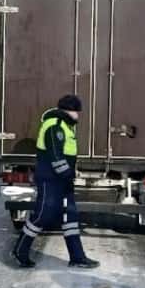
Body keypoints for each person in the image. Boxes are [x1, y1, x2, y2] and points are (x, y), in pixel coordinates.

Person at [12, 95, 100, 269]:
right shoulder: (55, 126)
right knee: (43, 215)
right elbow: (56, 156)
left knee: (70, 217)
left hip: (63, 181)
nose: (78, 115)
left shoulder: (66, 126)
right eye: (77, 111)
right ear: (69, 111)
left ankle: (77, 257)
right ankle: (20, 250)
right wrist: (67, 173)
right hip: (50, 180)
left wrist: (68, 177)